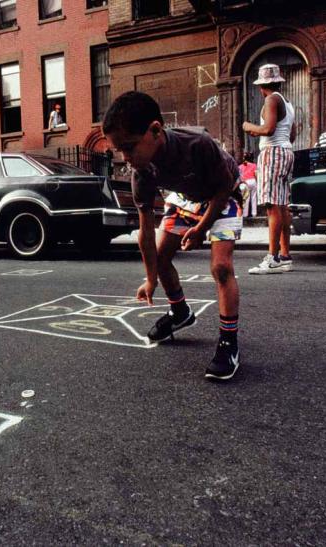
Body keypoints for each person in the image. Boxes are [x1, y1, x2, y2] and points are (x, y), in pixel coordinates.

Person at [103, 91, 243, 381]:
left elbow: (223, 189)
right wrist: (151, 278)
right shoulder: (141, 171)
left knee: (220, 267)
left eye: (129, 148)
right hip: (186, 197)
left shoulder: (198, 144)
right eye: (120, 152)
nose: (127, 158)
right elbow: (145, 230)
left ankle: (229, 342)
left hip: (223, 193)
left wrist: (202, 228)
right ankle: (179, 312)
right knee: (162, 254)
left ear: (155, 130)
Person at [242, 63, 296, 274]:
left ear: (260, 85)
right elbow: (291, 134)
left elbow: (268, 129)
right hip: (285, 151)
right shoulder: (287, 103)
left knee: (272, 206)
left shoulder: (271, 99)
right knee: (282, 205)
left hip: (272, 153)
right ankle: (284, 256)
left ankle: (272, 258)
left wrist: (249, 127)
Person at [238, 151, 258, 218]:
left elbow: (239, 176)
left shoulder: (240, 166)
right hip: (253, 181)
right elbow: (256, 174)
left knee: (246, 198)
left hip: (245, 182)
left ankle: (245, 214)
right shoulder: (254, 165)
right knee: (254, 197)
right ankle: (254, 213)